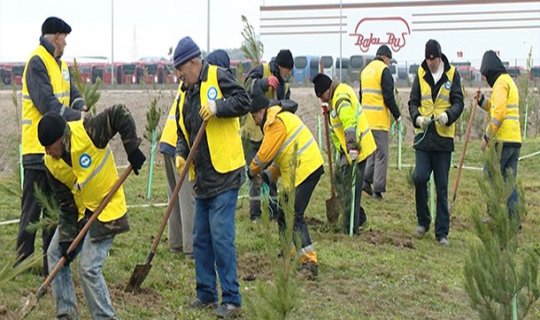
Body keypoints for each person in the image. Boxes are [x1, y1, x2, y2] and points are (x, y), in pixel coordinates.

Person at [37, 105, 146, 319]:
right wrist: (67, 238)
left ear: (62, 138)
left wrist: (132, 148)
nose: (47, 152)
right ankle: (67, 314)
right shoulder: (51, 163)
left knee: (87, 268)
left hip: (107, 209)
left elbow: (119, 113)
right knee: (54, 253)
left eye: (49, 146)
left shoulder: (88, 131)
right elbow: (66, 204)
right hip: (80, 212)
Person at [173, 36, 250, 318]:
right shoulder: (184, 93)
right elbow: (183, 131)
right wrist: (182, 152)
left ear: (195, 62)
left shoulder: (218, 76)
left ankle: (232, 299)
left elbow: (244, 100)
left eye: (181, 68)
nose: (178, 75)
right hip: (202, 177)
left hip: (226, 172)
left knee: (221, 237)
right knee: (201, 237)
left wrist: (219, 109)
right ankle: (205, 293)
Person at [17, 16, 87, 275]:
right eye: (65, 37)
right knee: (32, 210)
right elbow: (46, 103)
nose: (66, 42)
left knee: (53, 209)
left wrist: (80, 105)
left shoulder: (62, 66)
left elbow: (74, 94)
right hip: (38, 148)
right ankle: (21, 262)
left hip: (57, 149)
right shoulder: (37, 62)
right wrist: (77, 116)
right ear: (56, 36)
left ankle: (50, 263)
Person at [158, 49, 230, 257]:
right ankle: (191, 249)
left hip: (167, 142)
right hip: (181, 146)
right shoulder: (200, 87)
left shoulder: (188, 84)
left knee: (175, 197)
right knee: (188, 198)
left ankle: (176, 245)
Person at [247, 94, 323, 279]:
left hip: (306, 168)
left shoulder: (274, 122)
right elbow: (282, 156)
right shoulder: (280, 118)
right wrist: (268, 175)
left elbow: (264, 155)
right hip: (302, 169)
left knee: (294, 215)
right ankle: (287, 253)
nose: (256, 123)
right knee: (282, 213)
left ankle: (309, 263)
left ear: (261, 112)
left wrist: (252, 171)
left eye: (255, 117)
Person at [408, 39, 464, 246]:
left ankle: (442, 233)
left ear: (440, 57)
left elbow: (459, 101)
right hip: (423, 137)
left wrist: (448, 115)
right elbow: (413, 101)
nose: (431, 63)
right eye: (428, 59)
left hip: (443, 139)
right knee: (420, 177)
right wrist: (417, 118)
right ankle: (423, 221)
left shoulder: (452, 74)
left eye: (434, 59)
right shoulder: (420, 75)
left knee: (442, 187)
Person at [312, 73, 377, 234]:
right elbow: (337, 131)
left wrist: (352, 147)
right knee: (340, 182)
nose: (322, 100)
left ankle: (351, 228)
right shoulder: (333, 101)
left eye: (322, 96)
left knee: (352, 188)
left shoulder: (340, 97)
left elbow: (349, 124)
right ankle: (357, 217)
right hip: (347, 151)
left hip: (358, 147)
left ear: (328, 89)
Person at [243, 49, 294, 221]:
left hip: (271, 135)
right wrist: (264, 83)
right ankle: (255, 213)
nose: (288, 74)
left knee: (271, 174)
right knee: (254, 173)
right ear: (280, 66)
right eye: (287, 70)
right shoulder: (262, 70)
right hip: (252, 134)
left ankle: (272, 210)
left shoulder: (285, 86)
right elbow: (246, 86)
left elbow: (286, 105)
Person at [476, 50, 521, 217]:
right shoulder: (509, 81)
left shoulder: (500, 83)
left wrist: (487, 137)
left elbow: (499, 114)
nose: (486, 80)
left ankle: (492, 215)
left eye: (486, 76)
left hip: (501, 140)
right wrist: (482, 101)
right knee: (509, 182)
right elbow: (495, 107)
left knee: (490, 176)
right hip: (514, 139)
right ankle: (513, 218)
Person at [359, 45, 401, 200]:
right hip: (379, 121)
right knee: (382, 155)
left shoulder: (365, 71)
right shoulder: (383, 70)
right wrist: (397, 114)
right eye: (389, 60)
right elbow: (388, 96)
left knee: (372, 153)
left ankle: (365, 181)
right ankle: (378, 190)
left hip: (366, 120)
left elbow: (361, 96)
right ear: (385, 57)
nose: (389, 63)